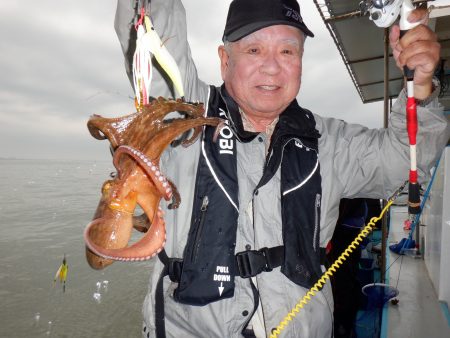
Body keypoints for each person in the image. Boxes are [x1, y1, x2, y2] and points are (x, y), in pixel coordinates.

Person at [114, 0, 450, 337]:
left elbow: (407, 161)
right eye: (255, 49)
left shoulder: (328, 143)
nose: (272, 68)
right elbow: (151, 29)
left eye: (288, 52)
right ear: (225, 60)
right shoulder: (183, 117)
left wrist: (420, 88)